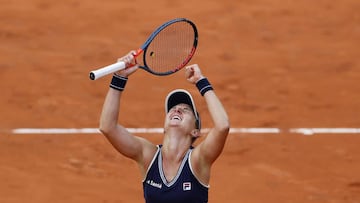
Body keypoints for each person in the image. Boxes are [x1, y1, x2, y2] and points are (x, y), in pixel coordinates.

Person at [99, 51, 230, 203]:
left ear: (195, 131)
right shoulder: (148, 155)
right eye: (173, 109)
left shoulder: (198, 160)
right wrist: (119, 77)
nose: (177, 110)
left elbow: (223, 126)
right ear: (164, 127)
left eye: (186, 110)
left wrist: (201, 82)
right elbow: (107, 127)